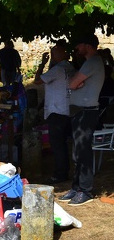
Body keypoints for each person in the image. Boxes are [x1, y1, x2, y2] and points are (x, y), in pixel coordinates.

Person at [59, 34, 105, 206]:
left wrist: (76, 83)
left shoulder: (93, 62)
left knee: (83, 151)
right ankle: (77, 187)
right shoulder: (89, 63)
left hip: (87, 112)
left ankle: (86, 190)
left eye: (79, 45)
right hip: (80, 112)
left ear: (88, 45)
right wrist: (76, 83)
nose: (76, 49)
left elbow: (71, 84)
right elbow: (73, 83)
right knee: (77, 151)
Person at [34, 44, 75, 184]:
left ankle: (60, 174)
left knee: (57, 144)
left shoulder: (57, 70)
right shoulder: (69, 67)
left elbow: (37, 80)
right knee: (62, 143)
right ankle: (63, 171)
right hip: (66, 108)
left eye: (54, 53)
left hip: (56, 110)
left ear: (61, 54)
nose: (52, 56)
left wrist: (42, 65)